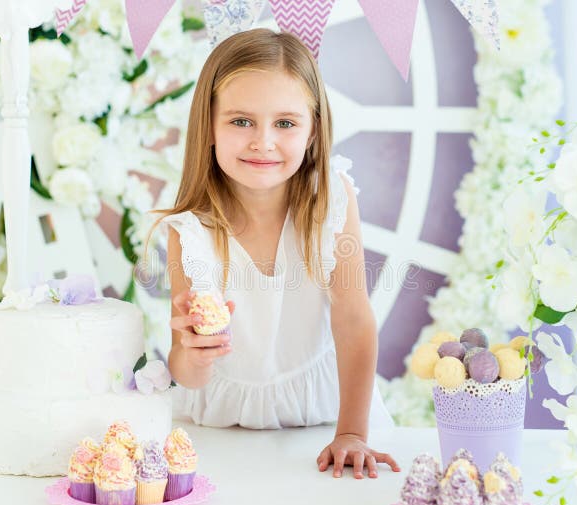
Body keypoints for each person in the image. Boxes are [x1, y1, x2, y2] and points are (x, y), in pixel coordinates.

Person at [147, 28, 398, 480]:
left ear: (312, 130)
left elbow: (353, 317)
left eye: (284, 123)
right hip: (220, 428)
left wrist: (352, 433)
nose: (263, 141)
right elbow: (186, 374)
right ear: (208, 125)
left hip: (324, 417)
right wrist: (193, 352)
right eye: (241, 121)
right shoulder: (191, 231)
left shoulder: (331, 201)